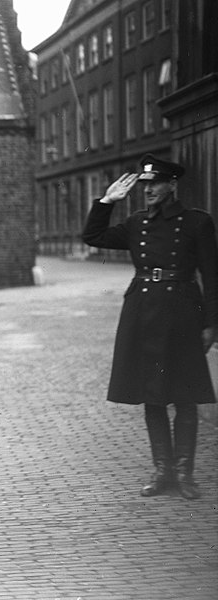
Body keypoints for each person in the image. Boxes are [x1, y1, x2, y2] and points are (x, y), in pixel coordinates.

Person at [82, 154, 217, 500]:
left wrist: (211, 324)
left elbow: (212, 276)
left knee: (185, 396)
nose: (149, 191)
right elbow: (93, 236)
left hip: (183, 313)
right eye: (145, 185)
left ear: (172, 185)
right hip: (142, 314)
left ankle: (185, 473)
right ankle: (163, 472)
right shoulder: (137, 223)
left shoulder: (196, 222)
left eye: (155, 184)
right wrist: (106, 202)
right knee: (151, 396)